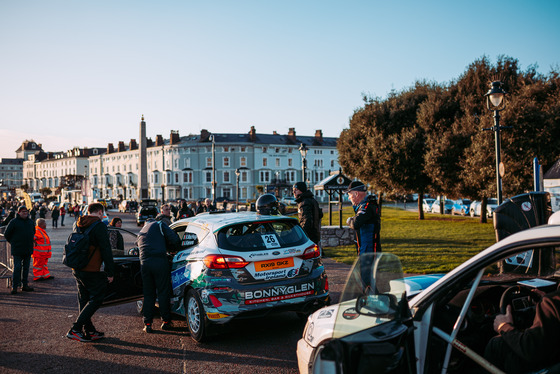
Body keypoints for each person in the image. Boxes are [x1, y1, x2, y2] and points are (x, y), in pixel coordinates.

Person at [66, 203, 114, 342]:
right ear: (100, 212)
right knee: (97, 298)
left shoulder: (78, 223)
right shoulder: (99, 226)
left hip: (76, 267)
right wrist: (110, 271)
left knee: (84, 299)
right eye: (102, 213)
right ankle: (75, 328)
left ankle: (89, 330)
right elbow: (106, 249)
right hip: (91, 268)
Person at [485, 288, 560, 373]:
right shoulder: (552, 300)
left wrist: (504, 326)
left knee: (497, 344)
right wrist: (543, 305)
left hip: (549, 364)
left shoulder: (552, 301)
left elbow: (531, 350)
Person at [136, 218, 181, 333]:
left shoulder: (141, 232)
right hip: (159, 262)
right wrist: (175, 249)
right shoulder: (160, 224)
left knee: (148, 294)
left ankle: (148, 324)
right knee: (162, 292)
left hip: (144, 264)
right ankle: (166, 322)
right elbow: (174, 239)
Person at [4, 206, 35, 294]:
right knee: (17, 268)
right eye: (23, 212)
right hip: (17, 249)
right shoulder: (13, 222)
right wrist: (13, 242)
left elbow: (33, 232)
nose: (25, 213)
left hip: (27, 249)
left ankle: (24, 285)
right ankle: (14, 287)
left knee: (26, 268)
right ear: (19, 213)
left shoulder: (30, 222)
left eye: (26, 211)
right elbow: (7, 234)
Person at [345, 180, 381, 255]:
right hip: (364, 250)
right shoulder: (363, 206)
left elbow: (356, 223)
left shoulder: (366, 206)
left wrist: (349, 220)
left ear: (356, 194)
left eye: (349, 195)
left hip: (369, 252)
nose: (349, 198)